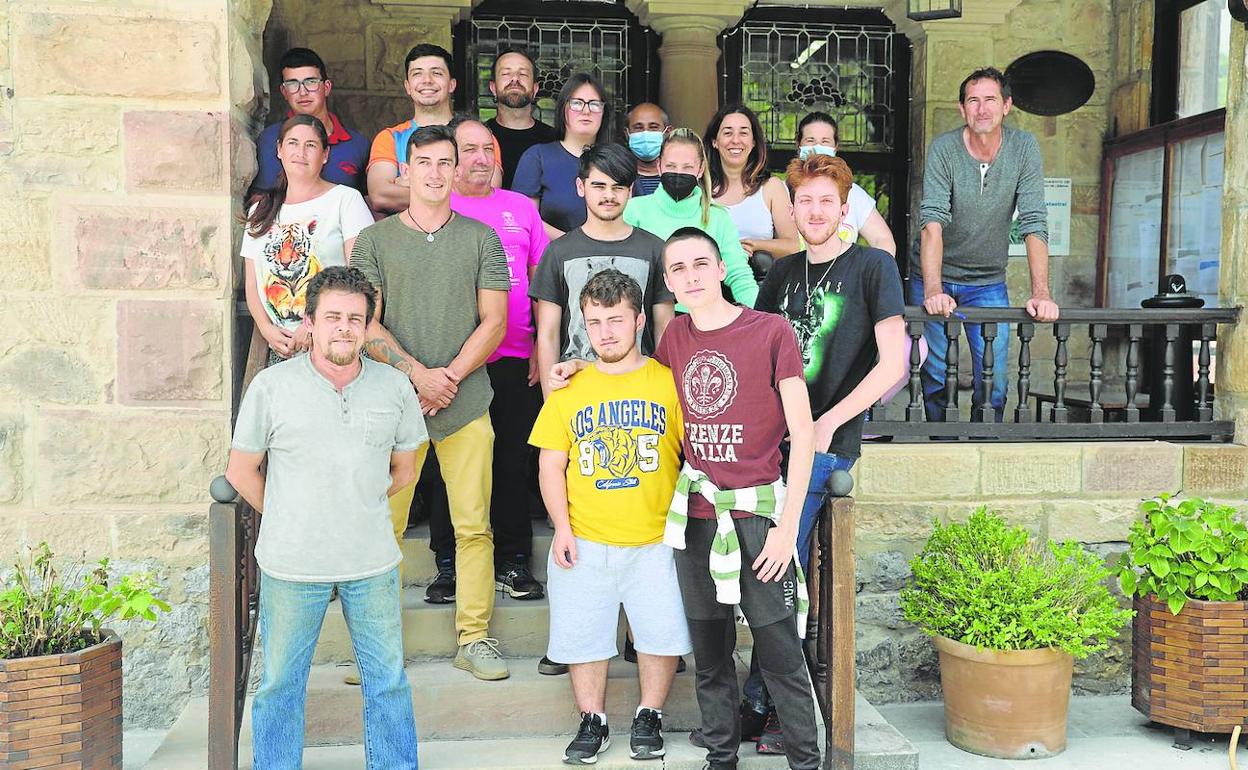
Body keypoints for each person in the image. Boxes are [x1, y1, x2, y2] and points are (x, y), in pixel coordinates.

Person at [551, 227, 821, 770]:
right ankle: (720, 757)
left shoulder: (769, 331)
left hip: (758, 517)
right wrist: (581, 367)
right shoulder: (674, 337)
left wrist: (789, 526)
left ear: (721, 268)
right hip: (697, 519)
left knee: (781, 653)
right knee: (711, 655)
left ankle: (806, 762)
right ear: (669, 283)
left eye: (700, 263)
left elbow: (805, 432)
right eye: (677, 269)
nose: (690, 276)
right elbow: (632, 373)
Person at [226, 266, 423, 770]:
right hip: (292, 564)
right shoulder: (271, 388)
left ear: (367, 326)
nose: (344, 328)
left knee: (388, 682)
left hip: (371, 560)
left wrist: (355, 501)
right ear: (310, 321)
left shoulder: (394, 387)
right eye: (332, 316)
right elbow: (241, 470)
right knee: (279, 686)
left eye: (355, 319)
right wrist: (291, 512)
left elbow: (405, 465)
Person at [747, 154, 907, 754]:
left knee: (776, 564)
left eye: (825, 202)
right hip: (772, 447)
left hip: (824, 448)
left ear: (844, 210)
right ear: (792, 208)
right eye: (803, 201)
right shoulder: (781, 276)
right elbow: (754, 359)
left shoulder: (872, 268)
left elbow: (891, 365)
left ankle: (778, 710)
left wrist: (825, 423)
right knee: (763, 567)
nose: (813, 211)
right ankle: (761, 697)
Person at [351, 124, 513, 681]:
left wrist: (448, 378)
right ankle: (377, 646)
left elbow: (495, 320)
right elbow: (366, 323)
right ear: (406, 170)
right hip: (394, 406)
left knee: (473, 526)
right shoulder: (374, 242)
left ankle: (474, 638)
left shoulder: (482, 238)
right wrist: (416, 375)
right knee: (381, 526)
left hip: (466, 403)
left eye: (447, 162)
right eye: (426, 162)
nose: (437, 173)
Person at [530, 269, 690, 765]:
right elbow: (550, 463)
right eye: (595, 321)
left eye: (616, 320)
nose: (605, 332)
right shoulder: (570, 388)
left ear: (640, 320)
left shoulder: (669, 382)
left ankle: (650, 713)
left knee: (660, 632)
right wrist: (560, 527)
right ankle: (592, 719)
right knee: (583, 634)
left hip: (656, 536)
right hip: (586, 536)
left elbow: (694, 455)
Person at [417, 115, 549, 604]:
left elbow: (541, 282)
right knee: (445, 464)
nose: (479, 158)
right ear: (449, 161)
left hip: (514, 355)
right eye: (467, 149)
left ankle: (514, 561)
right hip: (449, 363)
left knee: (512, 460)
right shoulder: (436, 209)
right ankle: (449, 564)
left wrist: (541, 343)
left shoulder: (520, 208)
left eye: (486, 149)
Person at [913, 67, 1059, 422]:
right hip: (932, 277)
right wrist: (933, 289)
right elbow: (932, 221)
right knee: (932, 373)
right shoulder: (945, 149)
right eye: (973, 100)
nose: (982, 109)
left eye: (990, 99)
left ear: (1006, 106)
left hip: (987, 282)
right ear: (962, 109)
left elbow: (1034, 221)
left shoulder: (1023, 148)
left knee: (993, 380)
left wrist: (1041, 292)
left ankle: (983, 441)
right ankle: (939, 442)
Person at [531, 143, 675, 400]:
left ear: (630, 191)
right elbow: (548, 333)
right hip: (574, 387)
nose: (609, 195)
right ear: (580, 187)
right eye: (599, 185)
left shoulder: (654, 249)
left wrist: (663, 391)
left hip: (640, 388)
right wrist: (550, 402)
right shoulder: (558, 252)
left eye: (618, 187)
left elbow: (665, 326)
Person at [241, 114, 375, 363]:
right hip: (281, 347)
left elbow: (359, 275)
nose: (300, 152)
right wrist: (265, 328)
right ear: (279, 150)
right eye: (292, 143)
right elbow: (252, 283)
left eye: (311, 145)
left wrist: (312, 323)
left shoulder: (346, 200)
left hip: (335, 343)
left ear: (325, 155)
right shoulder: (259, 211)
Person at [622, 129, 759, 308]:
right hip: (647, 319)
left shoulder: (718, 217)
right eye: (671, 166)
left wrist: (765, 319)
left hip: (704, 320)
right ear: (659, 166)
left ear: (701, 169)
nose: (678, 173)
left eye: (687, 167)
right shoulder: (633, 210)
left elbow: (739, 275)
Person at [366, 44, 502, 214]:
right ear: (408, 86)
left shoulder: (481, 137)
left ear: (452, 84)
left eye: (436, 73)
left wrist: (412, 182)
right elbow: (381, 196)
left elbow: (487, 195)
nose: (427, 80)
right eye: (417, 74)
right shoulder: (391, 138)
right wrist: (456, 188)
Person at [250, 47, 370, 196]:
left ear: (326, 87)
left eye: (311, 82)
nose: (303, 92)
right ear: (284, 92)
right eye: (292, 84)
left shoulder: (359, 145)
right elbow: (260, 203)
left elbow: (370, 204)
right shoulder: (270, 139)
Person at [514, 73, 612, 239]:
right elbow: (524, 218)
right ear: (562, 109)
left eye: (594, 104)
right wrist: (573, 244)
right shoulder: (538, 157)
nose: (586, 110)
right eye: (576, 103)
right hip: (554, 258)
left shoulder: (616, 159)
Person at [705, 104, 801, 270]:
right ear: (715, 141)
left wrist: (753, 245)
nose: (736, 140)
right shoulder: (701, 189)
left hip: (761, 286)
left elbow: (792, 246)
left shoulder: (772, 187)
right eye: (727, 133)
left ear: (754, 141)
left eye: (743, 133)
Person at [795, 112, 896, 255]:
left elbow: (882, 239)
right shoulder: (781, 190)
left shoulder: (853, 193)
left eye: (825, 141)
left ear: (835, 147)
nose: (817, 147)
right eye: (810, 140)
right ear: (798, 145)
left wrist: (875, 273)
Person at [484, 48, 556, 190]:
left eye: (523, 74)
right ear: (493, 88)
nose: (515, 79)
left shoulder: (554, 140)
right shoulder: (480, 138)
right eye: (506, 73)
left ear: (535, 89)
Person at [624, 102, 670, 197]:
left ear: (667, 132)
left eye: (653, 127)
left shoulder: (679, 175)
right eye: (638, 127)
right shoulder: (617, 175)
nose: (645, 132)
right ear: (627, 133)